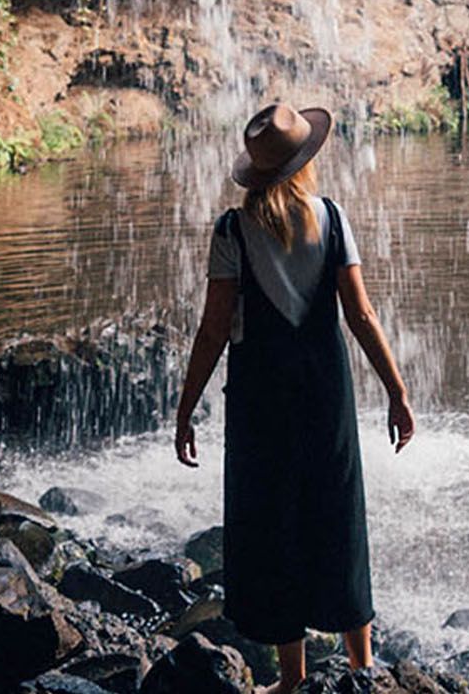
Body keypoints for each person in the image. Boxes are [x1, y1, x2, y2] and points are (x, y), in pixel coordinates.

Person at [173, 101, 416, 693]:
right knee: (337, 510)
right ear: (304, 163)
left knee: (272, 519)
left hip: (260, 396)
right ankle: (363, 665)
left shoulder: (233, 230)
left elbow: (212, 329)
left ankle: (291, 678)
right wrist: (397, 391)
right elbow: (359, 314)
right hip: (324, 390)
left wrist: (185, 410)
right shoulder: (330, 218)